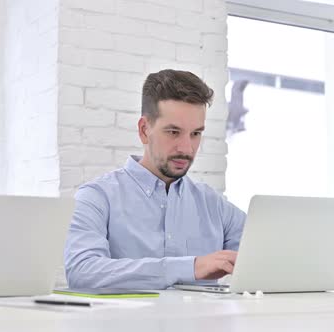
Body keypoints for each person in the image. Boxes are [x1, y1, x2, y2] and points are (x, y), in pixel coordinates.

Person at [64, 69, 246, 289]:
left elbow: (266, 255)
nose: (187, 148)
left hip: (202, 323)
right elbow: (82, 272)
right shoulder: (97, 197)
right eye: (173, 132)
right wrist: (191, 267)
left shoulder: (213, 205)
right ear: (144, 130)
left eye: (195, 133)